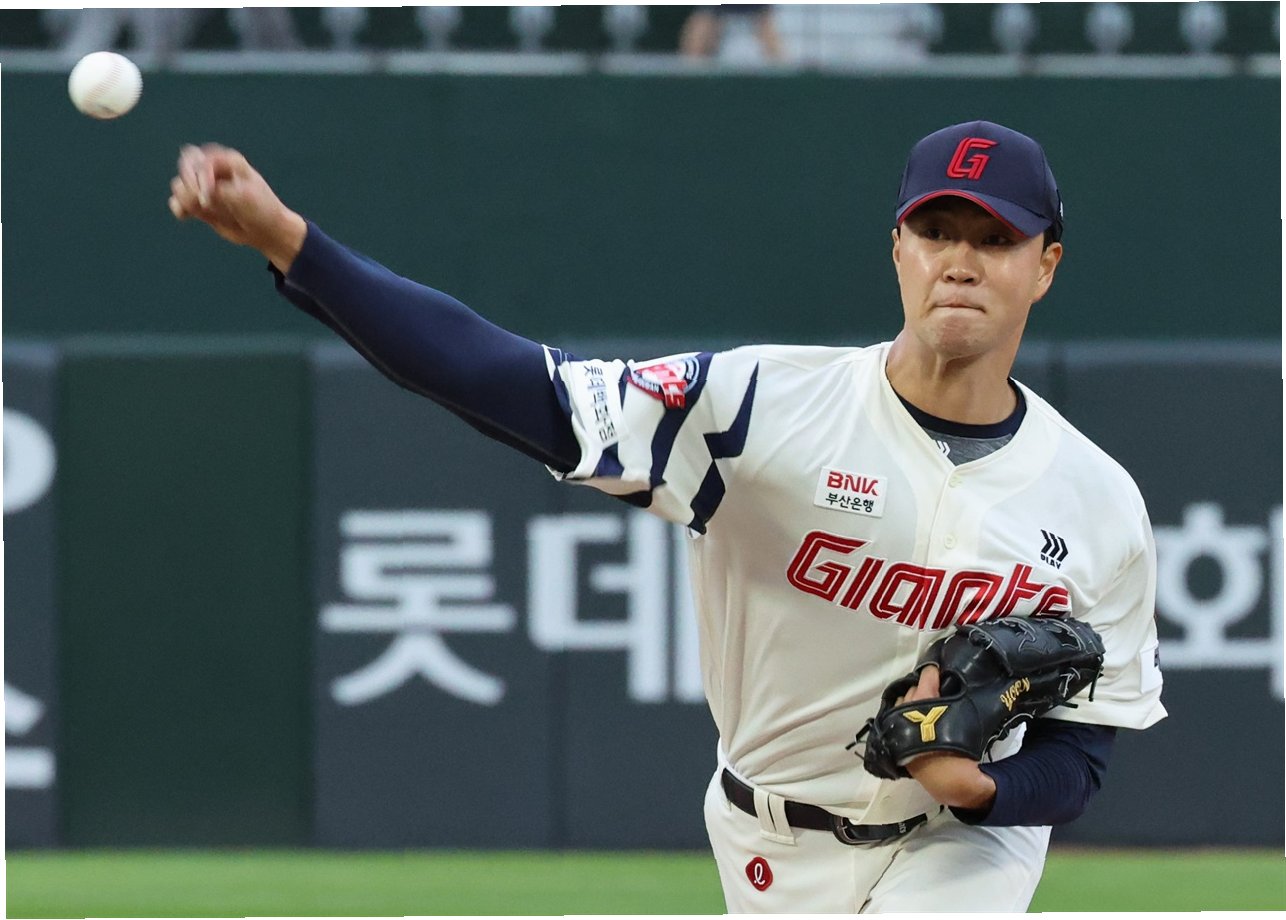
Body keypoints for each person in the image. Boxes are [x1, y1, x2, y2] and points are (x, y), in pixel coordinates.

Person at [168, 120, 1165, 912]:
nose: (961, 261)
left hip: (967, 847)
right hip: (768, 836)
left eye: (995, 239)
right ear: (897, 248)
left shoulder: (1098, 499)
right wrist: (289, 241)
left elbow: (1080, 754)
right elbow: (507, 381)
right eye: (937, 231)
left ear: (1044, 265)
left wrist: (982, 790)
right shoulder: (757, 408)